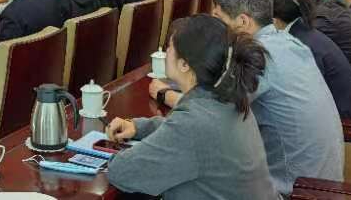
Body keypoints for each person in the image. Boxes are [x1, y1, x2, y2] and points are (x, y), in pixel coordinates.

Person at [106, 15, 278, 200]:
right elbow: (188, 134)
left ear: (184, 64)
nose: (166, 52)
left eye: (170, 47)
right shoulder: (230, 98)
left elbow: (122, 172)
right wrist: (139, 127)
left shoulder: (194, 122)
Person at [210, 0, 344, 196]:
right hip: (324, 185)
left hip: (293, 192)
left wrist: (165, 93)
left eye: (218, 18)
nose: (215, 28)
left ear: (242, 21)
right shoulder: (290, 43)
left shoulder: (259, 56)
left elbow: (212, 113)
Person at [268, 0, 351, 121]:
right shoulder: (303, 31)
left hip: (347, 124)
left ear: (274, 21)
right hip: (341, 113)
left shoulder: (298, 46)